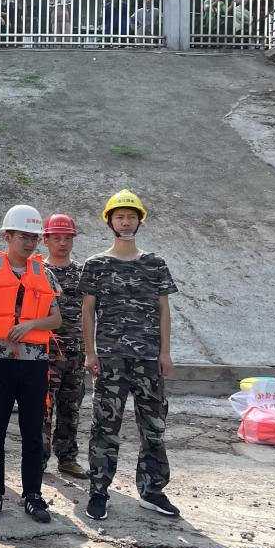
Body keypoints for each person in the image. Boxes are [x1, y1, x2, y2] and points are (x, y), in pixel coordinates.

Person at [80, 190, 179, 521]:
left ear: (140, 221)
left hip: (149, 359)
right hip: (111, 359)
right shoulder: (96, 265)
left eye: (131, 217)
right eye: (120, 217)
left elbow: (163, 310)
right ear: (110, 221)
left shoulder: (155, 264)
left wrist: (165, 352)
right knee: (105, 427)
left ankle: (152, 491)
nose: (126, 222)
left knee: (153, 427)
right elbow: (88, 311)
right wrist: (90, 352)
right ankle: (98, 491)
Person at [0, 205, 63, 524]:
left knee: (32, 433)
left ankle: (33, 495)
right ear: (8, 236)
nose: (29, 243)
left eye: (34, 237)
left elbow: (57, 319)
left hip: (34, 366)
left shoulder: (45, 273)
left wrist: (31, 325)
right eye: (23, 236)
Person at [41, 214, 87, 477]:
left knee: (71, 408)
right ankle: (38, 460)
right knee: (42, 409)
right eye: (56, 238)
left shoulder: (82, 273)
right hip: (46, 353)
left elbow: (91, 313)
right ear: (46, 240)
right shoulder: (38, 271)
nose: (62, 243)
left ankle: (67, 459)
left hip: (75, 353)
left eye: (67, 238)